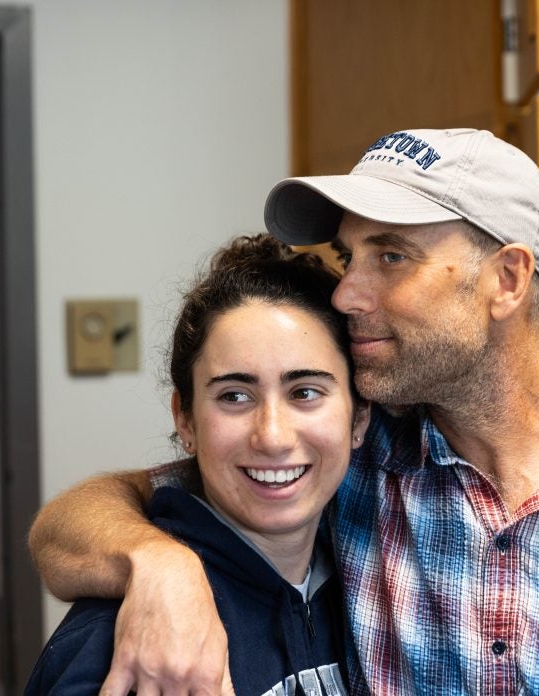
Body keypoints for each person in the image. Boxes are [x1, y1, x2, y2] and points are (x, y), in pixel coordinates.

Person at [29, 128, 539, 694]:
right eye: (348, 256)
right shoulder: (347, 461)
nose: (348, 294)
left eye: (393, 257)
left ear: (505, 280)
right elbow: (84, 516)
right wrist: (158, 564)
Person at [25, 234, 369, 695]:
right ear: (185, 419)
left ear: (358, 418)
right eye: (234, 396)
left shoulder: (375, 591)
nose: (272, 436)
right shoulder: (129, 641)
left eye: (305, 392)